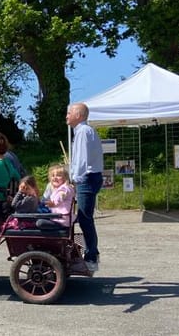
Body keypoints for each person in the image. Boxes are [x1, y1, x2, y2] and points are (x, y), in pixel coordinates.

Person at [67, 102, 104, 271]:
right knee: (84, 218)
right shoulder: (85, 131)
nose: (66, 116)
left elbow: (81, 160)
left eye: (69, 113)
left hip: (86, 179)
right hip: (90, 178)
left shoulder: (82, 131)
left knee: (84, 218)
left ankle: (91, 257)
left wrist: (74, 180)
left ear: (79, 115)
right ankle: (89, 255)